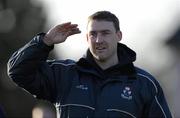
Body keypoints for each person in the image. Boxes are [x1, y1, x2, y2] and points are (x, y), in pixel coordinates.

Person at [7, 11, 172, 118]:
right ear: (87, 38)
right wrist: (45, 41)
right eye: (93, 34)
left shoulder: (144, 84)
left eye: (105, 33)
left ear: (119, 36)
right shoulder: (64, 74)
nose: (99, 40)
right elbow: (17, 71)